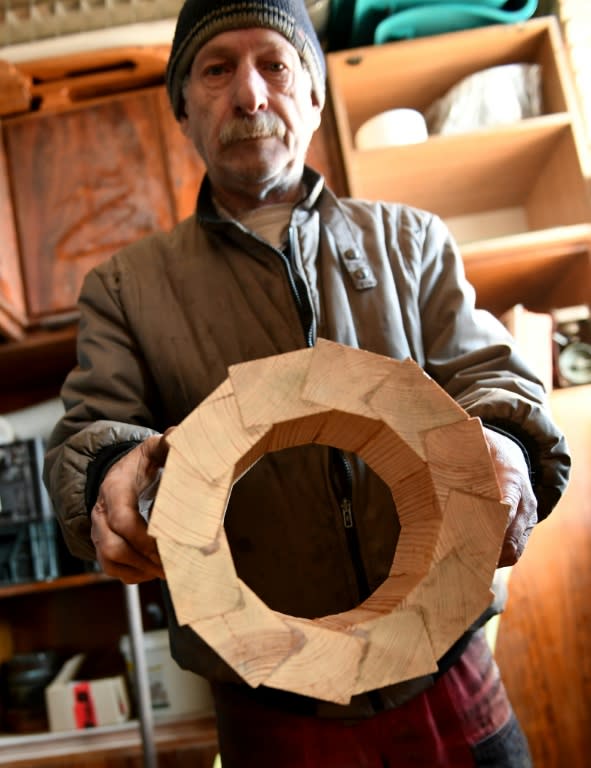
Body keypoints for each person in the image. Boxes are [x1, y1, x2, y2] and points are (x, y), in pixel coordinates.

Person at [43, 0, 570, 765]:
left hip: (444, 669)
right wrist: (108, 476)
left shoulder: (410, 239)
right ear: (184, 113)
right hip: (266, 696)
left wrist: (506, 445)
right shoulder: (124, 287)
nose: (249, 95)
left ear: (314, 98)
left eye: (274, 64)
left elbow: (490, 375)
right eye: (216, 69)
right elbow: (95, 427)